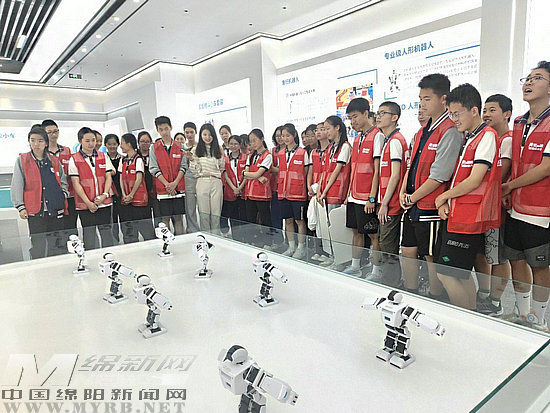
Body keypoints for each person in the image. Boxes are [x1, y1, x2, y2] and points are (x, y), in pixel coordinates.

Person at [434, 83, 500, 310]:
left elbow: (475, 179)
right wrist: (447, 201)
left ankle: (462, 317)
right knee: (460, 275)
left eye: (457, 113)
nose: (454, 119)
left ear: (474, 110)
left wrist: (443, 197)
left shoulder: (487, 136)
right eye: (451, 114)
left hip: (468, 218)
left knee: (446, 274)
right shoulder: (471, 137)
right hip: (458, 215)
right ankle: (470, 313)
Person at [399, 74, 462, 300]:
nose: (422, 104)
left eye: (427, 99)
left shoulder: (450, 130)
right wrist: (403, 192)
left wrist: (412, 197)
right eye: (420, 99)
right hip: (413, 202)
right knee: (408, 249)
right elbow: (411, 165)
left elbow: (440, 175)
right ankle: (411, 292)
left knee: (430, 255)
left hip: (430, 205)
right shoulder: (422, 130)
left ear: (443, 99)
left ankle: (435, 297)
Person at [502, 61, 550, 330]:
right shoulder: (519, 122)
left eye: (537, 78)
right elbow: (517, 162)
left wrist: (509, 186)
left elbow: (546, 167)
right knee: (516, 260)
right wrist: (509, 188)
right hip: (515, 207)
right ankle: (523, 314)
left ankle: (540, 320)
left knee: (540, 267)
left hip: (540, 210)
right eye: (527, 78)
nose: (528, 82)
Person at [475, 94, 514, 315]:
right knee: (483, 253)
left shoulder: (507, 140)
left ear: (507, 114)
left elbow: (499, 175)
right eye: (485, 110)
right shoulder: (487, 138)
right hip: (483, 208)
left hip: (498, 210)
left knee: (498, 257)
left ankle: (496, 302)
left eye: (492, 110)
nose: (486, 115)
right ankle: (484, 294)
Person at [11, 126, 68, 259]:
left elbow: (63, 181)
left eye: (40, 141)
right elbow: (17, 184)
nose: (36, 144)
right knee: (38, 245)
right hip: (35, 211)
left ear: (46, 143)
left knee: (57, 243)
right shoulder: (22, 160)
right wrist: (20, 207)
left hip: (55, 209)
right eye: (33, 140)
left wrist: (62, 195)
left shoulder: (54, 160)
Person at [344, 98, 384, 276]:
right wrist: (349, 194)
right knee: (355, 231)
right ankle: (355, 266)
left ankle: (377, 270)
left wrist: (372, 198)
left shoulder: (378, 136)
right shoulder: (357, 138)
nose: (353, 122)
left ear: (366, 114)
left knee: (373, 235)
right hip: (354, 196)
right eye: (350, 118)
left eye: (355, 117)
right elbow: (354, 169)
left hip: (367, 197)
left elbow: (377, 170)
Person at [375, 102, 408, 286]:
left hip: (392, 204)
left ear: (394, 117)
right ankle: (390, 280)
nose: (378, 116)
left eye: (383, 113)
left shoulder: (395, 141)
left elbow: (396, 175)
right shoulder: (389, 140)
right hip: (389, 202)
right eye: (378, 113)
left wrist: (385, 203)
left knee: (388, 246)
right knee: (386, 244)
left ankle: (391, 283)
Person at [69, 127, 115, 250]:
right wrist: (88, 203)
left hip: (104, 202)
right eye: (87, 141)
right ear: (80, 141)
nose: (91, 144)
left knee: (106, 233)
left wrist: (105, 195)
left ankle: (109, 256)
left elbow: (108, 177)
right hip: (85, 204)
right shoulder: (74, 159)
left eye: (93, 140)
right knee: (89, 236)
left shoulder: (103, 156)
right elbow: (76, 183)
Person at [274, 123, 309, 259]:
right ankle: (291, 246)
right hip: (283, 192)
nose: (285, 138)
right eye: (283, 136)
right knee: (287, 220)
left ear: (294, 135)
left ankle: (301, 247)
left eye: (287, 135)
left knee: (299, 221)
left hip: (298, 192)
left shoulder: (302, 152)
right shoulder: (280, 153)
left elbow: (306, 171)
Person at [148, 116, 186, 235]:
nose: (164, 132)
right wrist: (167, 185)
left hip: (178, 188)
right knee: (165, 219)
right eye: (161, 129)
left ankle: (181, 242)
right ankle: (168, 243)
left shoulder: (180, 146)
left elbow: (183, 166)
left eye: (166, 128)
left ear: (171, 128)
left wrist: (174, 184)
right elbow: (153, 168)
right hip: (162, 190)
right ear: (157, 130)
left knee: (178, 218)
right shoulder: (154, 147)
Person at [42, 119, 77, 239]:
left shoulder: (66, 150)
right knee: (55, 230)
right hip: (51, 198)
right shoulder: (42, 153)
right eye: (50, 132)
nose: (53, 135)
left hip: (69, 194)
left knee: (71, 226)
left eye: (56, 131)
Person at [118, 133, 155, 243]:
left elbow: (139, 179)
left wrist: (131, 194)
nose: (121, 146)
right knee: (130, 228)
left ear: (129, 144)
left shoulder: (138, 159)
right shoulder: (123, 160)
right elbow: (121, 178)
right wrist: (124, 194)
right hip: (127, 200)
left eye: (122, 143)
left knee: (145, 227)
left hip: (139, 199)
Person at [189, 123, 225, 233]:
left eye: (210, 135)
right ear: (200, 135)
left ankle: (216, 236)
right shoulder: (195, 150)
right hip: (202, 181)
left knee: (216, 213)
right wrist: (191, 159)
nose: (207, 137)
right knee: (204, 213)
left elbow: (222, 167)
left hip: (216, 181)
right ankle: (206, 237)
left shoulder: (219, 149)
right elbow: (193, 170)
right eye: (205, 134)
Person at [243, 128, 273, 247]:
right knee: (250, 219)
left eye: (254, 140)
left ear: (262, 139)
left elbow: (254, 173)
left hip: (262, 193)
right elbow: (245, 173)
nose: (253, 144)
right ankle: (253, 240)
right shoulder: (250, 156)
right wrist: (256, 176)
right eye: (251, 141)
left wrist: (255, 175)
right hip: (249, 192)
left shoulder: (267, 156)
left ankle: (268, 243)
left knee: (265, 219)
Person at [317, 115, 351, 214]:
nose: (326, 132)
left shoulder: (345, 147)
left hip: (336, 193)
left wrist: (324, 191)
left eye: (328, 129)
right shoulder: (330, 148)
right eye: (324, 129)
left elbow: (336, 172)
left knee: (334, 221)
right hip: (325, 192)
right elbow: (324, 171)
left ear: (337, 128)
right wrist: (319, 190)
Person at [307, 121, 331, 262]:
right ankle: (319, 250)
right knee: (316, 223)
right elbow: (310, 170)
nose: (318, 132)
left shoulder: (331, 150)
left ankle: (328, 253)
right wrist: (309, 185)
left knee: (326, 224)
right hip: (314, 191)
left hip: (325, 191)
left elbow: (326, 171)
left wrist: (320, 188)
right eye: (317, 130)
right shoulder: (314, 152)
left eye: (322, 129)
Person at [222, 135, 248, 241]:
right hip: (230, 191)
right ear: (228, 145)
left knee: (244, 217)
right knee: (233, 217)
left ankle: (246, 239)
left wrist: (240, 188)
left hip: (244, 191)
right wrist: (234, 188)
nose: (233, 146)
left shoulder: (246, 157)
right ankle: (236, 239)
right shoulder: (225, 159)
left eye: (236, 144)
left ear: (240, 145)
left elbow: (247, 174)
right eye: (231, 144)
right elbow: (226, 175)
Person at [266, 126, 285, 251]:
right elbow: (269, 168)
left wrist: (277, 170)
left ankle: (291, 242)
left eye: (282, 135)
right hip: (275, 187)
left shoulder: (292, 151)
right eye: (277, 136)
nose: (280, 138)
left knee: (289, 219)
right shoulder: (272, 151)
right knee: (275, 216)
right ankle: (278, 241)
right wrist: (280, 170)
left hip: (287, 188)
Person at [182, 122, 200, 232]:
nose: (189, 135)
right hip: (188, 178)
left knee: (202, 206)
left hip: (200, 177)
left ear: (196, 132)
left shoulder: (200, 146)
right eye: (187, 132)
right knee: (190, 206)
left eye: (191, 132)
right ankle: (192, 229)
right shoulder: (182, 147)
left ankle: (205, 230)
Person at [105, 133, 122, 243]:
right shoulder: (102, 159)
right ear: (105, 145)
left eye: (114, 144)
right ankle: (115, 242)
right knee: (112, 220)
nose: (112, 146)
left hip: (122, 192)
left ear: (118, 144)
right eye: (109, 144)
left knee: (124, 218)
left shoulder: (123, 159)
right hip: (109, 194)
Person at [218, 125, 232, 236]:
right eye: (222, 134)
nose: (224, 135)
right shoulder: (219, 148)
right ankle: (224, 231)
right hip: (222, 182)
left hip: (234, 181)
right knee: (223, 208)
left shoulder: (235, 147)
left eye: (226, 133)